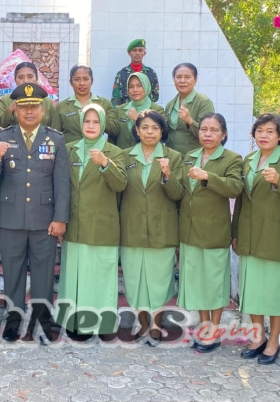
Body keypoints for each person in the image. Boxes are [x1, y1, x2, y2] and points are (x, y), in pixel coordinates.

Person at [0, 83, 69, 344]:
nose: (29, 111)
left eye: (34, 107)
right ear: (15, 110)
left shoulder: (55, 139)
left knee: (43, 272)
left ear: (42, 110)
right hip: (11, 218)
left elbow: (62, 182)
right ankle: (14, 319)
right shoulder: (2, 138)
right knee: (13, 272)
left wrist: (60, 218)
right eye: (24, 107)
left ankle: (42, 319)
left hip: (45, 219)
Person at [231, 114, 280, 364]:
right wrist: (235, 232)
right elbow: (241, 198)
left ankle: (274, 342)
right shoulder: (248, 160)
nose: (263, 135)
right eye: (259, 130)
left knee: (275, 292)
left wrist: (278, 180)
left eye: (270, 131)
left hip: (275, 235)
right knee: (252, 290)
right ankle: (258, 337)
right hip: (249, 234)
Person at [57, 104, 127, 339]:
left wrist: (106, 164)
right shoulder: (69, 149)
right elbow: (60, 186)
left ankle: (104, 325)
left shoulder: (114, 152)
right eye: (86, 121)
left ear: (103, 125)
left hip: (102, 225)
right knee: (74, 275)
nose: (90, 126)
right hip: (75, 224)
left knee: (101, 277)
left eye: (96, 122)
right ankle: (74, 323)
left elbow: (121, 185)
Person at [178, 112, 243, 353]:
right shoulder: (190, 156)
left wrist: (208, 176)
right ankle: (204, 326)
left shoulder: (232, 159)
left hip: (214, 232)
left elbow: (236, 187)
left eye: (213, 129)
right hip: (190, 231)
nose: (207, 133)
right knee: (197, 283)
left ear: (223, 134)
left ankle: (214, 331)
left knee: (214, 283)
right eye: (204, 128)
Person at [118, 111, 184, 345]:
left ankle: (156, 325)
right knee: (135, 282)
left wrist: (167, 175)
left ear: (162, 132)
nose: (149, 132)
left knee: (159, 282)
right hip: (132, 228)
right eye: (144, 127)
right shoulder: (125, 156)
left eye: (155, 128)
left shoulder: (173, 157)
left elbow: (178, 194)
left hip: (161, 229)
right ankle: (143, 323)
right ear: (137, 130)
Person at [163, 63, 215, 156]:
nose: (182, 81)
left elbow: (208, 134)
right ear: (174, 80)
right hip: (172, 159)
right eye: (178, 77)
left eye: (187, 77)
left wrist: (190, 121)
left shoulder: (204, 102)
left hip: (193, 158)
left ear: (195, 80)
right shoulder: (170, 104)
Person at [52, 65, 112, 144]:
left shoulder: (104, 103)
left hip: (96, 153)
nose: (82, 83)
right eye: (77, 80)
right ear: (71, 82)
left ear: (92, 81)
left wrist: (98, 113)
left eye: (86, 79)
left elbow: (114, 130)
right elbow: (54, 135)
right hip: (70, 153)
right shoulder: (62, 106)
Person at [106, 72, 165, 150]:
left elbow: (161, 138)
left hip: (146, 158)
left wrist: (138, 119)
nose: (135, 90)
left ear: (146, 86)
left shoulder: (157, 110)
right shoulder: (120, 110)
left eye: (139, 86)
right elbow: (112, 138)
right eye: (131, 86)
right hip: (121, 158)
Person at [0, 61, 54, 128]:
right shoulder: (7, 100)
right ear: (15, 80)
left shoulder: (46, 101)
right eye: (21, 77)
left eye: (30, 77)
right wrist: (9, 110)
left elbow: (54, 128)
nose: (25, 81)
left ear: (36, 79)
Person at [111, 38, 159, 107]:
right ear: (129, 53)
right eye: (134, 50)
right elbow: (116, 98)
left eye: (140, 50)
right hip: (126, 113)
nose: (137, 53)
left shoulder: (151, 73)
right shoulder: (121, 74)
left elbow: (155, 96)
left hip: (146, 113)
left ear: (144, 53)